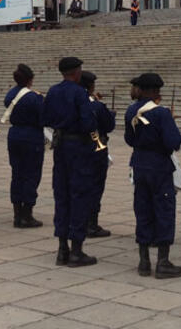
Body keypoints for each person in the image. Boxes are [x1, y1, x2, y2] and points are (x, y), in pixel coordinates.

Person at [125, 72, 181, 279]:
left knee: (143, 209)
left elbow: (129, 139)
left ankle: (143, 261)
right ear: (156, 91)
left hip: (139, 164)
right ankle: (163, 261)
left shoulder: (131, 111)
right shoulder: (161, 113)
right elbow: (173, 142)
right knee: (163, 209)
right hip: (159, 166)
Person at [43, 57, 99, 267]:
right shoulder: (79, 93)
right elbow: (88, 122)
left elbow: (45, 117)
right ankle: (76, 250)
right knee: (79, 195)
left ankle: (62, 249)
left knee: (62, 194)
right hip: (79, 148)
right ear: (76, 72)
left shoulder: (53, 91)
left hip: (61, 146)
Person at [3, 64, 45, 228]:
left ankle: (17, 213)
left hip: (14, 135)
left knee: (17, 173)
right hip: (31, 137)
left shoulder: (11, 94)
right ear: (30, 80)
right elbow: (43, 119)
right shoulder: (34, 97)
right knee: (31, 175)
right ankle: (27, 214)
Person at [80, 71, 114, 238]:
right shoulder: (95, 105)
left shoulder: (72, 101)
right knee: (95, 186)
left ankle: (79, 221)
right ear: (91, 86)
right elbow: (108, 125)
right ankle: (91, 223)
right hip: (94, 148)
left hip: (74, 148)